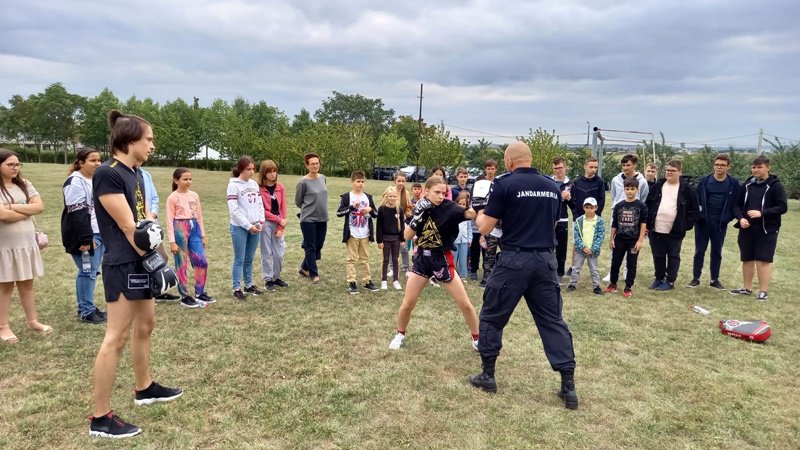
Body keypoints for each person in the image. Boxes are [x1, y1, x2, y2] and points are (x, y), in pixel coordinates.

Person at [89, 111, 182, 438]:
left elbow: (144, 222)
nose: (152, 145)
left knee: (146, 324)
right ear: (129, 140)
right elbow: (130, 228)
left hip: (140, 261)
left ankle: (144, 388)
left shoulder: (135, 173)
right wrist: (158, 263)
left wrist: (155, 258)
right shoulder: (108, 174)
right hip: (123, 264)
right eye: (149, 139)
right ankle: (100, 418)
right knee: (115, 337)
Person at [468, 142, 578, 409]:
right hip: (546, 260)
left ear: (508, 162)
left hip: (515, 259)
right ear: (530, 160)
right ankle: (568, 387)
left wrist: (479, 211)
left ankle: (488, 375)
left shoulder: (503, 185)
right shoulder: (553, 187)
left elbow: (485, 227)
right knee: (553, 321)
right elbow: (550, 222)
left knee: (492, 316)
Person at [388, 176, 480, 351]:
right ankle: (400, 334)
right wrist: (418, 216)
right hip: (423, 259)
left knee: (465, 303)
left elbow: (469, 214)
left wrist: (479, 206)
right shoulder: (420, 207)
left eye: (443, 193)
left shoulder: (450, 208)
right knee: (408, 303)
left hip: (442, 258)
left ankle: (477, 338)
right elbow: (406, 236)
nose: (440, 196)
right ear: (426, 191)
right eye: (437, 192)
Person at [0, 150, 51, 345]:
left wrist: (12, 207)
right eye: (10, 164)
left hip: (25, 244)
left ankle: (33, 321)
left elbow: (38, 207)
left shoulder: (25, 184)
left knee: (27, 284)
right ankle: (3, 326)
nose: (15, 168)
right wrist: (24, 210)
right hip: (5, 246)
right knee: (5, 286)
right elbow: (3, 216)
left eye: (17, 164)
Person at [730, 155, 788, 301]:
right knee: (747, 259)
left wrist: (762, 213)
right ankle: (747, 288)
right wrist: (740, 218)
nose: (756, 170)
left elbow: (782, 207)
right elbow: (736, 205)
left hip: (767, 229)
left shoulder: (775, 186)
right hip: (747, 228)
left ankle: (763, 291)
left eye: (759, 167)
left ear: (768, 167)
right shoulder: (747, 184)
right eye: (754, 167)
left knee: (762, 260)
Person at [61, 148, 107, 324]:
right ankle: (86, 311)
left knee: (92, 271)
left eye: (99, 160)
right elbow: (77, 214)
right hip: (86, 235)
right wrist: (86, 239)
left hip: (99, 231)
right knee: (87, 271)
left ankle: (88, 306)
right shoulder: (74, 182)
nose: (97, 163)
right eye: (92, 160)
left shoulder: (95, 180)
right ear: (80, 163)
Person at [646, 160, 699, 291]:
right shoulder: (658, 186)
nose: (670, 173)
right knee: (658, 255)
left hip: (675, 230)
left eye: (673, 171)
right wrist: (647, 224)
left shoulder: (687, 190)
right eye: (668, 170)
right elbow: (648, 205)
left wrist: (685, 225)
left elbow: (695, 211)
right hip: (656, 228)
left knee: (673, 256)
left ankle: (670, 281)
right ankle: (659, 278)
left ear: (680, 172)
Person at [690, 154, 739, 289]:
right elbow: (697, 199)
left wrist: (727, 218)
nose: (719, 167)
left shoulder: (733, 183)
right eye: (717, 164)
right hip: (703, 222)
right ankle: (696, 278)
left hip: (720, 223)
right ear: (714, 165)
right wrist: (699, 216)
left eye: (723, 165)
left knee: (717, 251)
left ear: (728, 167)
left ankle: (714, 279)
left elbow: (735, 203)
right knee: (699, 250)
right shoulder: (705, 181)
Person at [166, 168, 213, 308]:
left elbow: (199, 216)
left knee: (201, 261)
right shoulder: (172, 198)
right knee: (182, 263)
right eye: (185, 179)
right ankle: (185, 295)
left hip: (194, 228)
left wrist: (202, 235)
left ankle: (200, 292)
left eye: (190, 179)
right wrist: (172, 241)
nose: (188, 182)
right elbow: (169, 220)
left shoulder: (194, 196)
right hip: (180, 228)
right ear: (176, 180)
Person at [227, 156, 264, 300]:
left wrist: (260, 221)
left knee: (249, 258)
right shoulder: (233, 185)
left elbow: (260, 204)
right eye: (248, 169)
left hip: (255, 226)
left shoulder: (254, 184)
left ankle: (248, 285)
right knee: (239, 259)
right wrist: (248, 226)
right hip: (240, 227)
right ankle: (236, 288)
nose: (252, 172)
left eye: (253, 169)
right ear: (241, 169)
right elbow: (234, 210)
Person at [605, 178, 649, 298]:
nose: (630, 191)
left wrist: (640, 240)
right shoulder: (619, 205)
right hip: (619, 240)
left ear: (637, 189)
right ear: (624, 189)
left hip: (633, 242)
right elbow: (614, 224)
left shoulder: (642, 206)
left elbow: (643, 224)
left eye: (632, 189)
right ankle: (613, 284)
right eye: (627, 189)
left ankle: (628, 286)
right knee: (615, 262)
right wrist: (611, 239)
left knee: (631, 263)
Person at [337, 171, 379, 295]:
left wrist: (370, 209)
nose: (360, 184)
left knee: (365, 259)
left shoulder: (368, 197)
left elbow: (376, 214)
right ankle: (352, 282)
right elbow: (339, 213)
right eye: (358, 181)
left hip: (365, 232)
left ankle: (367, 281)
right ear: (352, 182)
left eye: (362, 182)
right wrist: (351, 207)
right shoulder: (346, 197)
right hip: (352, 232)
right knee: (351, 259)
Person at [141, 167, 179, 302]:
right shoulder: (122, 174)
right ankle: (146, 294)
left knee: (161, 257)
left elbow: (154, 198)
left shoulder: (145, 174)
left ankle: (157, 291)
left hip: (151, 226)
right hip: (137, 228)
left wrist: (153, 214)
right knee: (141, 263)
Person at [296, 152, 328, 283]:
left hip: (322, 218)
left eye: (317, 163)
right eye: (312, 164)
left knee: (318, 245)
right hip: (308, 219)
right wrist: (308, 209)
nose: (315, 166)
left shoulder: (323, 178)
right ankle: (314, 274)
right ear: (307, 166)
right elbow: (298, 201)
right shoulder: (303, 182)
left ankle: (304, 267)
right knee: (310, 246)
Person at [258, 160, 289, 292]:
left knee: (279, 253)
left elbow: (283, 208)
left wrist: (281, 226)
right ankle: (268, 279)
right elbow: (261, 210)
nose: (272, 174)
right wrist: (277, 219)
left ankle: (276, 277)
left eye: (274, 171)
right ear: (263, 173)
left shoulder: (280, 187)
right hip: (265, 223)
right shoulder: (259, 189)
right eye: (269, 171)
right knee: (266, 252)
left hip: (278, 223)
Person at [566, 198, 605, 295]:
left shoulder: (599, 221)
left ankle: (596, 286)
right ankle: (572, 284)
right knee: (576, 268)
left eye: (591, 207)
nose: (589, 210)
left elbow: (600, 237)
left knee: (594, 270)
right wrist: (583, 247)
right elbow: (577, 236)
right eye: (587, 207)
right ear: (583, 208)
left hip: (593, 251)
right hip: (580, 250)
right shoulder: (579, 221)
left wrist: (593, 249)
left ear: (596, 208)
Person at [470, 160, 497, 282]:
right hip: (480, 219)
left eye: (492, 168)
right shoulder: (479, 183)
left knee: (489, 249)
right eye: (488, 168)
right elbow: (473, 201)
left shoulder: (498, 183)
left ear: (496, 169)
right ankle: (474, 271)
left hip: (494, 221)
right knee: (476, 248)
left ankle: (490, 272)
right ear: (485, 169)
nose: (490, 171)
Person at [376, 186, 404, 290]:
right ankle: (384, 280)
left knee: (395, 259)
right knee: (385, 260)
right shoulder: (382, 209)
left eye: (394, 196)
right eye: (390, 196)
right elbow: (379, 226)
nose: (392, 198)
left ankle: (396, 280)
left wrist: (402, 239)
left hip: (396, 238)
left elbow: (402, 225)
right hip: (385, 238)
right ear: (386, 196)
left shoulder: (399, 209)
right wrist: (379, 240)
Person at [549, 156, 571, 279]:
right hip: (549, 220)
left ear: (565, 167)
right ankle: (547, 272)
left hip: (563, 219)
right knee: (547, 247)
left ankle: (560, 274)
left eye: (560, 168)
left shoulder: (570, 184)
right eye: (555, 168)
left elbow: (574, 205)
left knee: (561, 248)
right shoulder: (548, 182)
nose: (558, 170)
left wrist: (569, 199)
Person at [394, 172, 413, 277]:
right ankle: (392, 268)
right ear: (395, 181)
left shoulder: (406, 193)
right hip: (391, 223)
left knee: (404, 246)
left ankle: (406, 267)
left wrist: (409, 213)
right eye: (399, 181)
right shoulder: (390, 191)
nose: (401, 183)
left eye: (403, 181)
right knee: (392, 247)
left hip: (403, 222)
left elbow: (408, 208)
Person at [453, 191, 473, 282]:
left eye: (463, 204)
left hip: (464, 241)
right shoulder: (453, 215)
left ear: (466, 205)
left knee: (463, 258)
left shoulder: (467, 216)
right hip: (454, 241)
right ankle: (452, 274)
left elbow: (469, 229)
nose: (461, 206)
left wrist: (470, 239)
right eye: (459, 204)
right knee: (453, 259)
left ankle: (462, 276)